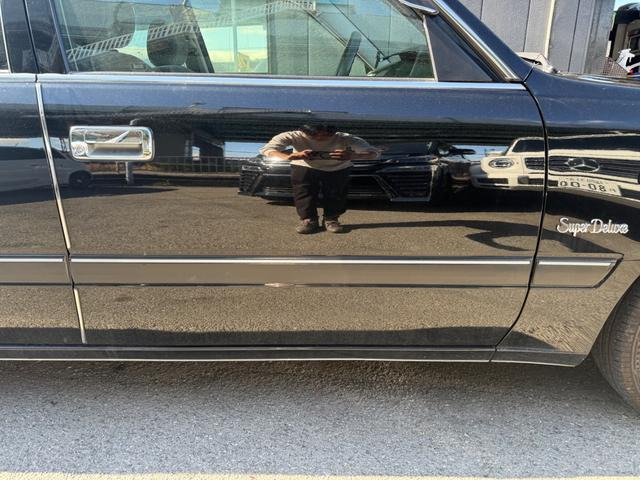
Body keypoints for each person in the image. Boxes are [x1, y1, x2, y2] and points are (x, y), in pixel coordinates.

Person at [260, 124, 379, 234]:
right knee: (303, 192)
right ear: (302, 131)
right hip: (304, 165)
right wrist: (288, 156)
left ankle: (331, 219)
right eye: (313, 135)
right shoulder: (292, 135)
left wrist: (354, 155)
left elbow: (374, 153)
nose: (319, 138)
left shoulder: (345, 137)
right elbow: (267, 149)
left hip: (338, 167)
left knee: (336, 193)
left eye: (327, 135)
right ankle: (308, 219)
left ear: (335, 132)